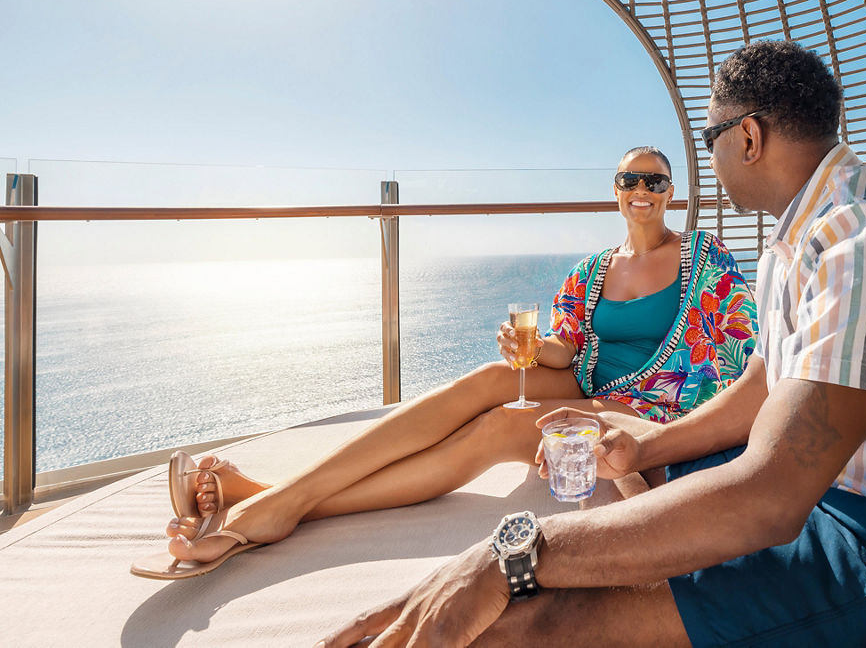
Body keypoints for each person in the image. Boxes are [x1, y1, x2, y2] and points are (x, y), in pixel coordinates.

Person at [318, 40, 866, 647]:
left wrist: (510, 552)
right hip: (840, 494)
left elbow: (770, 498)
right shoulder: (799, 239)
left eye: (709, 142)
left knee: (530, 619)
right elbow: (765, 385)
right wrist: (649, 448)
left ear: (748, 137)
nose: (702, 166)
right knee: (598, 527)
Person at [130, 146, 756, 579]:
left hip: (654, 408)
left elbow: (740, 350)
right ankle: (278, 499)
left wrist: (664, 427)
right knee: (488, 380)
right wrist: (528, 352)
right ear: (615, 191)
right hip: (588, 376)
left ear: (672, 192)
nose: (642, 191)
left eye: (655, 181)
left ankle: (269, 506)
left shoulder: (705, 254)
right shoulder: (592, 270)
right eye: (631, 180)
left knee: (494, 429)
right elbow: (566, 346)